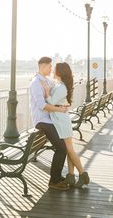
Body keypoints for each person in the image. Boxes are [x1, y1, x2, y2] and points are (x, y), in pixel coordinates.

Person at [40, 62, 90, 188]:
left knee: (70, 149)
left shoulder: (62, 87)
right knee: (68, 149)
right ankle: (71, 176)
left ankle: (83, 174)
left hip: (61, 120)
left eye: (54, 69)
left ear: (60, 72)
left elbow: (51, 101)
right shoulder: (58, 84)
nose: (52, 70)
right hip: (60, 119)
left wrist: (46, 91)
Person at [29, 57, 70, 191]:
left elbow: (55, 94)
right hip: (42, 121)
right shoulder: (35, 83)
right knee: (61, 148)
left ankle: (56, 177)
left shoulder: (46, 80)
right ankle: (54, 180)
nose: (51, 69)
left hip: (49, 119)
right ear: (42, 66)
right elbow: (42, 105)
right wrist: (60, 109)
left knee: (62, 147)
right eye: (49, 67)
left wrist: (63, 103)